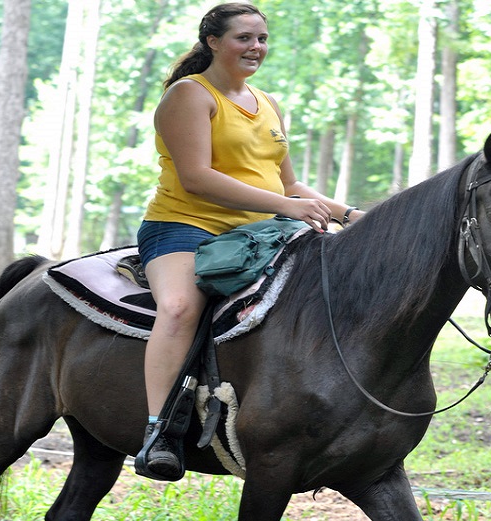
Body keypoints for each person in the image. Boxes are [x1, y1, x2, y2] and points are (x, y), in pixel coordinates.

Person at [135, 2, 364, 481]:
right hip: (186, 227)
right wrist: (286, 207)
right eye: (244, 37)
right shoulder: (189, 96)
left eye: (261, 38)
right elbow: (197, 177)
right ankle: (159, 430)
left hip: (258, 233)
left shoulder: (268, 103)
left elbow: (290, 185)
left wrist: (351, 215)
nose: (255, 47)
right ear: (213, 42)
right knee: (179, 307)